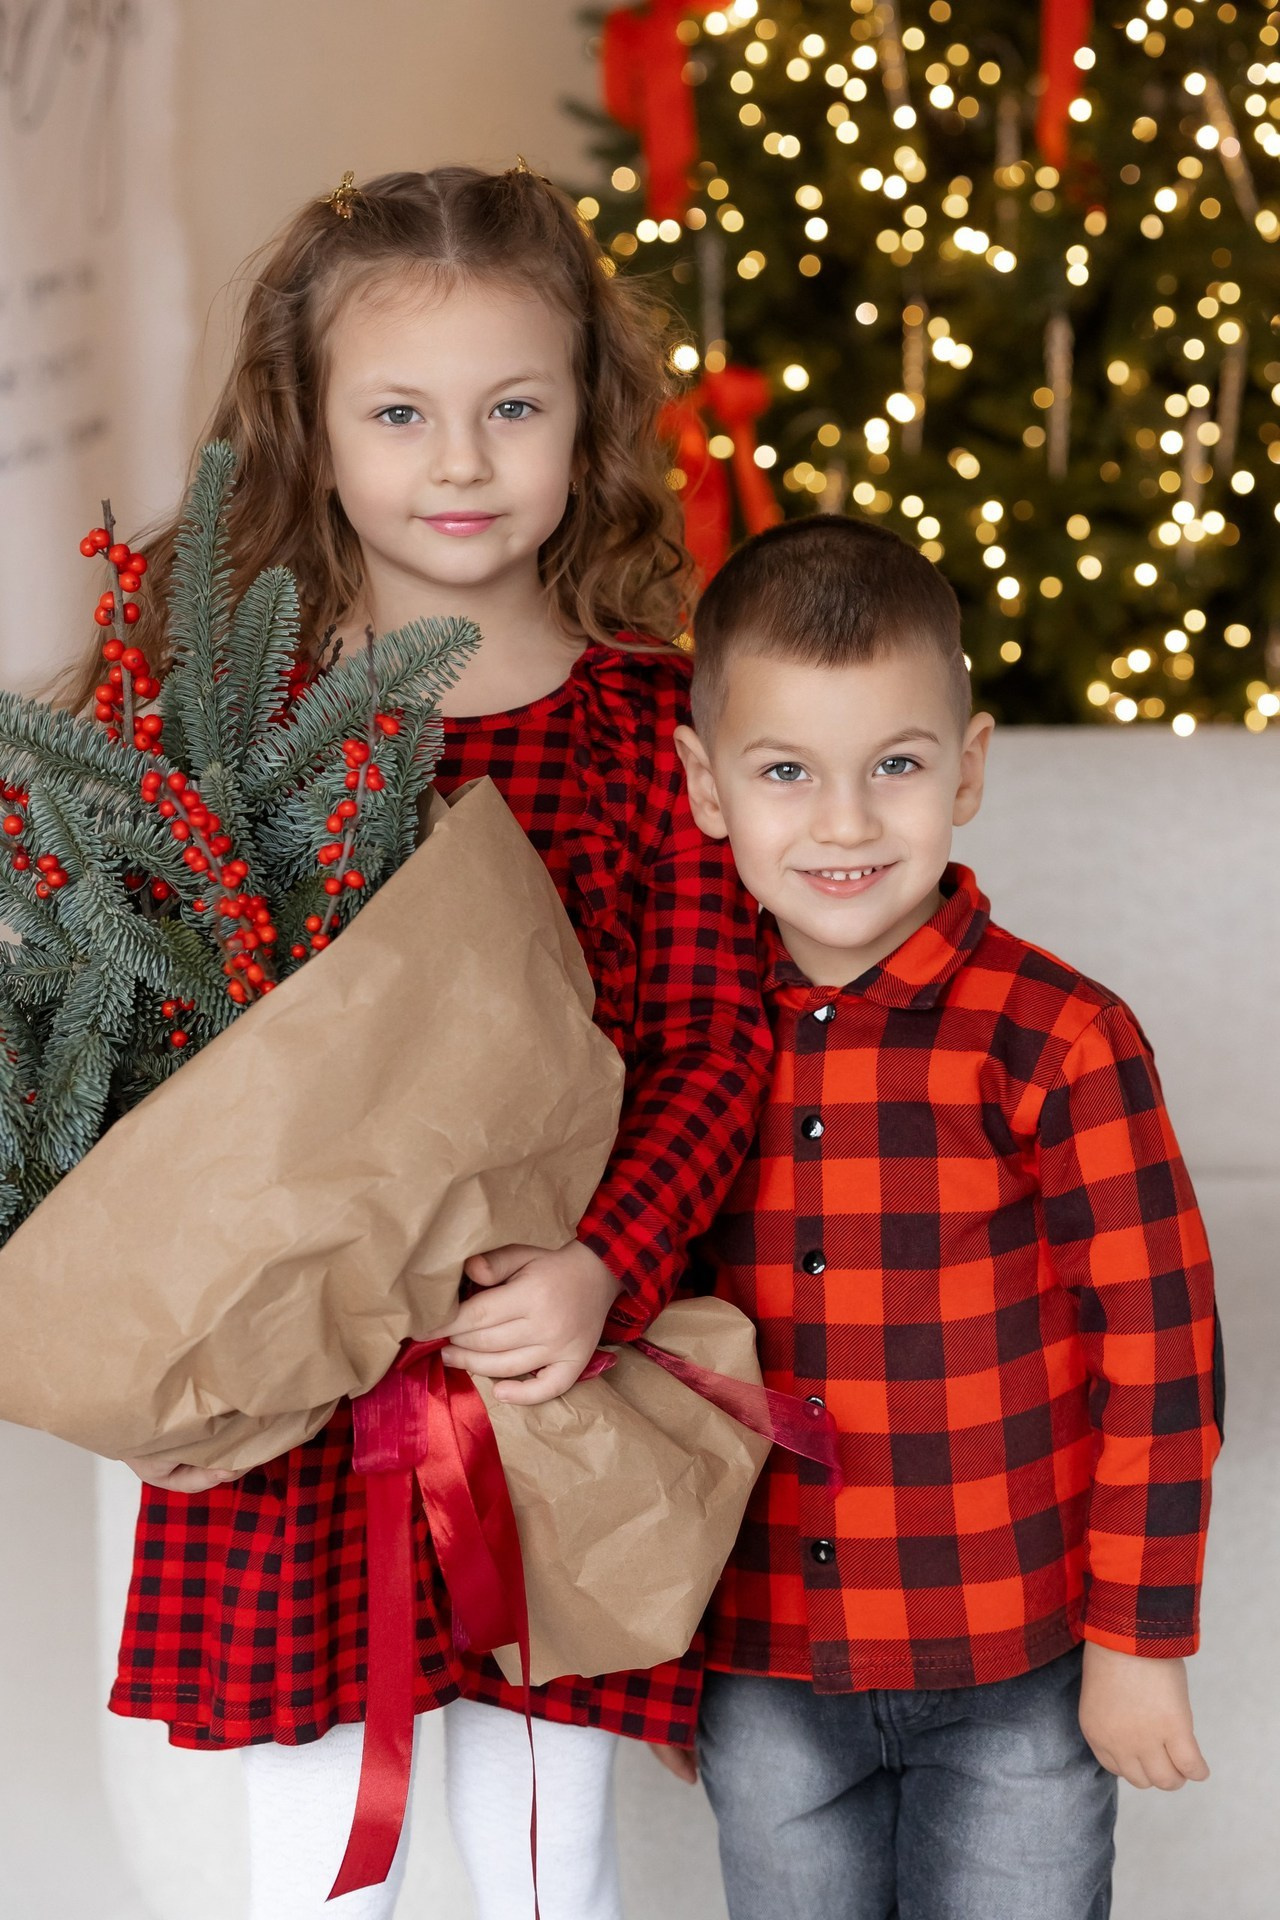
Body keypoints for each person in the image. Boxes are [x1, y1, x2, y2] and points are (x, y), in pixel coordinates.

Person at [94, 165, 771, 1920]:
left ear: (587, 420)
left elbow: (716, 1042)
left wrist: (605, 1265)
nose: (461, 463)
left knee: (552, 1852)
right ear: (308, 431)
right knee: (318, 1856)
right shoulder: (235, 730)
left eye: (512, 409)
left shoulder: (652, 727)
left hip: (548, 1383)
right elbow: (149, 1037)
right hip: (299, 1396)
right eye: (400, 413)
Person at [671, 514, 1223, 1920]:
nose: (845, 822)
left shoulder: (1060, 1039)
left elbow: (1162, 1352)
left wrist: (1138, 1638)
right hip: (766, 1661)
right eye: (786, 772)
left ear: (969, 767)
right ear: (706, 785)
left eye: (896, 766)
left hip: (1016, 1661)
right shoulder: (682, 1043)